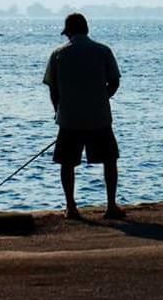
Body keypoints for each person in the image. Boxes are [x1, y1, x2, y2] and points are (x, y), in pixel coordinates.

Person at [43, 12, 125, 219]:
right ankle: (111, 205)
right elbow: (114, 81)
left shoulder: (58, 54)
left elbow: (53, 89)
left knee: (67, 163)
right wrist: (102, 97)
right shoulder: (103, 51)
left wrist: (58, 111)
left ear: (69, 31)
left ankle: (71, 207)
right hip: (99, 116)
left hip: (69, 118)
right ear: (86, 29)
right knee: (109, 160)